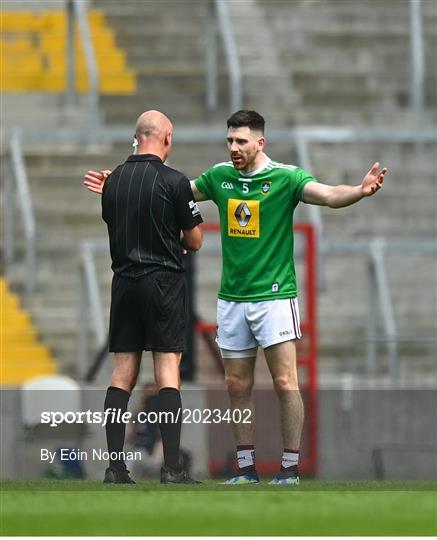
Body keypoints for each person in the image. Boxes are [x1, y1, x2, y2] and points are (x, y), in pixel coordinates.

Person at [84, 109, 386, 485]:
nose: (234, 148)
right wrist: (126, 182)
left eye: (241, 141)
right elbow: (170, 190)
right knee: (236, 385)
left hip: (275, 297)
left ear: (260, 143)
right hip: (232, 298)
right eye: (230, 141)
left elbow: (327, 195)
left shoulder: (285, 177)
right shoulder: (220, 177)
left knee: (284, 381)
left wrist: (359, 191)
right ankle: (246, 469)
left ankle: (289, 469)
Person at [98, 110, 203, 484]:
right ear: (167, 137)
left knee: (122, 374)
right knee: (167, 373)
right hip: (163, 283)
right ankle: (172, 468)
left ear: (135, 137)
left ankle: (114, 468)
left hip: (124, 283)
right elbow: (194, 240)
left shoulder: (112, 183)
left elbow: (118, 226)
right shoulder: (174, 181)